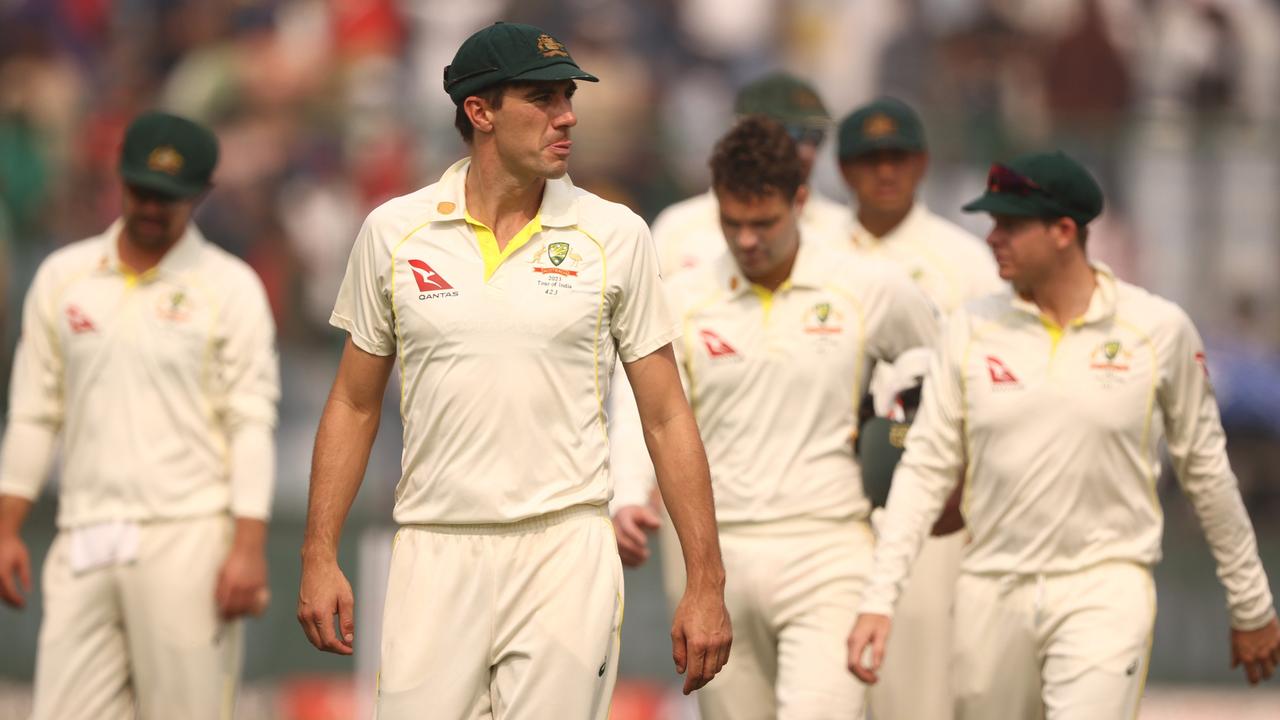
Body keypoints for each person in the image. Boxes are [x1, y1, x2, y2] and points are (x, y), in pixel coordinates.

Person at [295, 22, 732, 719]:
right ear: (481, 112)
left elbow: (666, 414)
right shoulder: (393, 232)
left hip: (565, 549)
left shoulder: (615, 234)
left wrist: (706, 582)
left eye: (567, 96)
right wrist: (318, 555)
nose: (568, 116)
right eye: (543, 99)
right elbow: (352, 404)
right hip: (434, 549)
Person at [848, 150, 1280, 718]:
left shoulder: (1156, 330)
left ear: (1063, 232)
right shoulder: (971, 328)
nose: (993, 237)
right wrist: (879, 599)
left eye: (1010, 225)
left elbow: (1206, 472)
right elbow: (926, 470)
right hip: (991, 589)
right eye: (993, 222)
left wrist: (1250, 602)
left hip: (1105, 587)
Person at [617, 115, 937, 719]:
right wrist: (628, 492)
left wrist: (916, 453)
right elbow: (650, 412)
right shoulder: (682, 300)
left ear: (801, 200)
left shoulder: (870, 289)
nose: (746, 240)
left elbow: (942, 382)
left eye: (763, 223)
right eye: (731, 223)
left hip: (831, 545)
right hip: (715, 554)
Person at [0, 111, 279, 719]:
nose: (152, 207)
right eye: (141, 191)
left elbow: (250, 422)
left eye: (170, 198)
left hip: (188, 535)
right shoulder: (63, 278)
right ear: (118, 180)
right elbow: (33, 411)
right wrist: (6, 526)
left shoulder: (230, 288)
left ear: (202, 195)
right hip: (85, 529)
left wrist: (247, 546)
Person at [835, 96, 1001, 720]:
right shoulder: (817, 250)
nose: (885, 172)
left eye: (897, 158)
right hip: (831, 495)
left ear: (923, 163)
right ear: (844, 169)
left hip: (928, 498)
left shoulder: (966, 262)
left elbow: (988, 386)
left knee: (919, 690)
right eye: (869, 158)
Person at [647, 72, 849, 277]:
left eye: (815, 136)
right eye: (791, 133)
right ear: (741, 131)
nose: (806, 152)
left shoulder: (846, 230)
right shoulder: (678, 227)